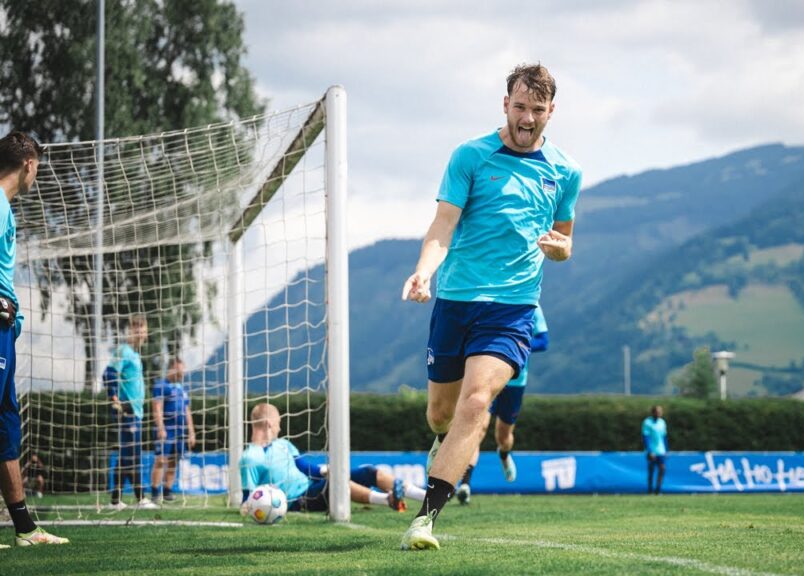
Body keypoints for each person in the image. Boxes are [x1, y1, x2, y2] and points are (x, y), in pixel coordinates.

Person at [400, 63, 581, 551]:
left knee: (477, 403)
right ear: (505, 105)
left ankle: (424, 520)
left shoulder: (565, 171)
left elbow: (564, 240)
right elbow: (443, 225)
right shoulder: (470, 156)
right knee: (440, 415)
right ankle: (444, 445)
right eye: (520, 107)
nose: (527, 119)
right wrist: (424, 270)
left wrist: (559, 250)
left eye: (537, 111)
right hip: (457, 301)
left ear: (551, 112)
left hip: (513, 308)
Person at [0, 131, 68, 546]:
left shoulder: (5, 209)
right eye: (38, 167)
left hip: (5, 331)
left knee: (6, 426)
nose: (37, 175)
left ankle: (24, 529)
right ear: (28, 164)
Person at [239, 403, 426, 513]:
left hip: (312, 485)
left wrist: (323, 470)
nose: (280, 428)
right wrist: (252, 506)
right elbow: (248, 498)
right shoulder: (249, 458)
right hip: (297, 501)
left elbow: (303, 467)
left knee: (369, 471)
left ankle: (425, 496)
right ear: (269, 423)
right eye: (279, 423)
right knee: (337, 483)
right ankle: (387, 500)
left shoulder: (284, 444)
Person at [456, 306, 549, 505]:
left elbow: (543, 341)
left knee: (503, 436)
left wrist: (516, 344)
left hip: (515, 381)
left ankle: (504, 453)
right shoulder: (492, 301)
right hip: (488, 377)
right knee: (478, 429)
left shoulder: (532, 307)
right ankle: (465, 484)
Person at [104, 314, 157, 510]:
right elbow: (108, 373)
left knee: (131, 455)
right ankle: (133, 498)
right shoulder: (124, 351)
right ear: (131, 330)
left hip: (136, 412)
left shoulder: (135, 355)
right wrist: (114, 397)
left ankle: (122, 499)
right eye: (137, 328)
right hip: (126, 411)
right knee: (130, 455)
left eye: (143, 329)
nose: (141, 332)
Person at [149, 358, 196, 503]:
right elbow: (157, 408)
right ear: (171, 368)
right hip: (167, 430)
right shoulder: (161, 386)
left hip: (180, 431)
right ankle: (155, 492)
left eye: (183, 369)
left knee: (174, 461)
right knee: (161, 460)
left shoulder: (181, 388)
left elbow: (187, 411)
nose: (182, 373)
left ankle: (167, 491)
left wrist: (192, 432)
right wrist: (161, 427)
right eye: (179, 369)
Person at [642, 406, 668, 495]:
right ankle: (650, 490)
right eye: (657, 412)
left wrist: (666, 450)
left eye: (660, 412)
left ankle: (658, 489)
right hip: (652, 450)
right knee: (651, 470)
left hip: (661, 450)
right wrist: (649, 451)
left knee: (662, 469)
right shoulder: (647, 422)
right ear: (653, 413)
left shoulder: (662, 422)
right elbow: (645, 437)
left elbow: (664, 437)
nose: (659, 413)